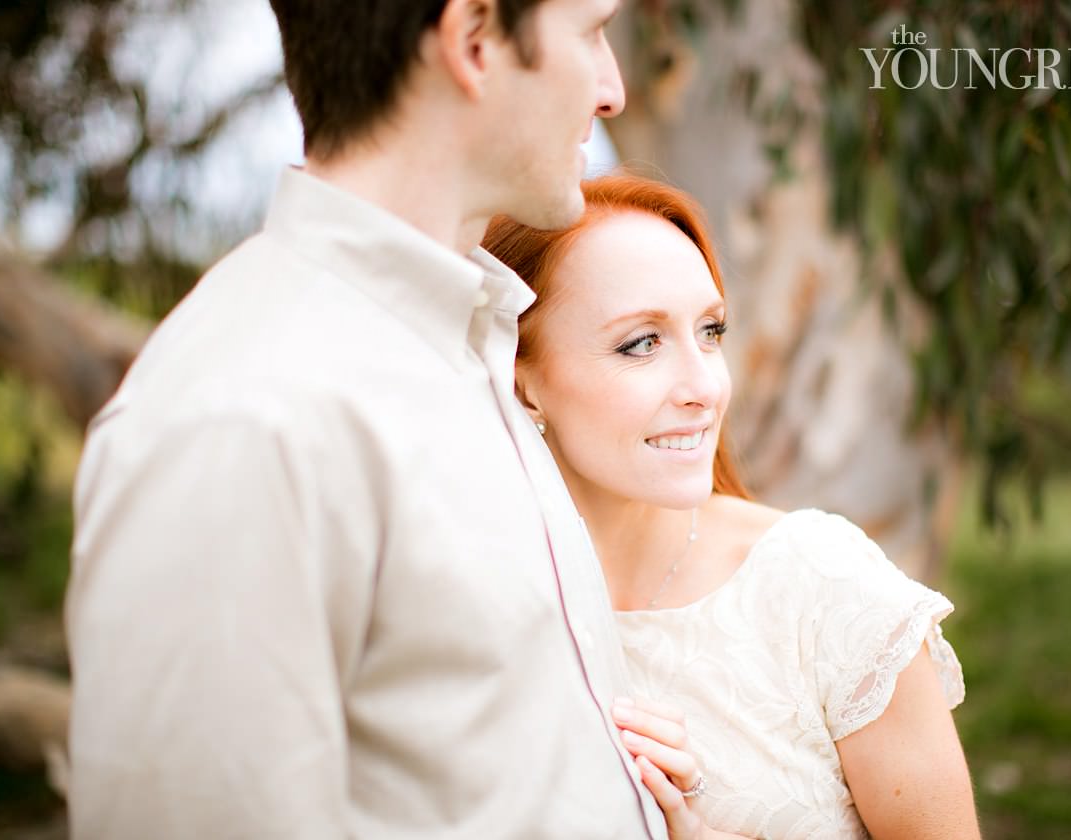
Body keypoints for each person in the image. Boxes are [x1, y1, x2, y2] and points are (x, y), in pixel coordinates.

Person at [65, 2, 670, 838]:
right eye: (592, 32)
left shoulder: (469, 343)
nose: (613, 90)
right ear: (474, 39)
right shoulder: (245, 418)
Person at [483, 174, 981, 840]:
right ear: (523, 383)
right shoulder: (483, 609)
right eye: (642, 343)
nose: (704, 387)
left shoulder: (826, 590)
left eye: (710, 332)